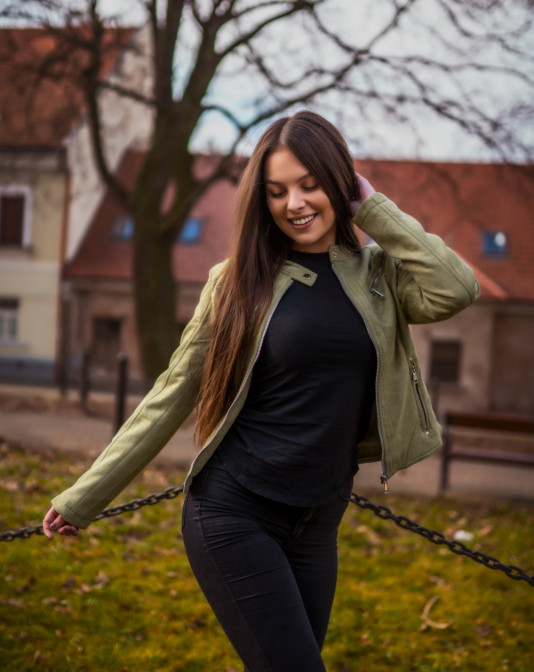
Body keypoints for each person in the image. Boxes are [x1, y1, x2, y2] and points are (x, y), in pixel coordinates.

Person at [43, 110, 479, 671]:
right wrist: (84, 496)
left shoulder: (379, 276)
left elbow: (457, 289)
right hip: (235, 510)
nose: (294, 204)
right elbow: (172, 392)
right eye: (276, 192)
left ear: (339, 182)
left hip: (319, 521)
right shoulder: (236, 280)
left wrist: (373, 209)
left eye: (310, 184)